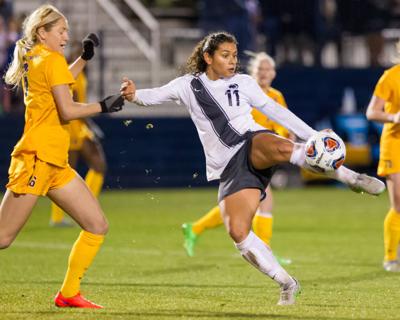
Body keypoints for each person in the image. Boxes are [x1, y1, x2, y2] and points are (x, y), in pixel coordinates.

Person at [120, 31, 385, 305]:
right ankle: (286, 282)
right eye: (225, 55)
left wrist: (312, 135)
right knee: (238, 232)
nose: (232, 61)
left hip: (252, 141)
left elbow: (275, 111)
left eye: (234, 55)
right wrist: (134, 94)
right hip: (228, 165)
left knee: (280, 147)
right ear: (208, 57)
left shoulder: (244, 83)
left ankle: (351, 177)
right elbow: (154, 95)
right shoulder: (188, 86)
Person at [0, 4, 124, 308]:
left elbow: (55, 82)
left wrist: (84, 58)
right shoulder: (51, 59)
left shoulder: (36, 55)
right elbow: (67, 110)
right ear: (43, 32)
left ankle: (68, 293)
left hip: (55, 162)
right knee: (2, 238)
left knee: (97, 225)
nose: (67, 36)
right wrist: (103, 106)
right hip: (37, 159)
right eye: (62, 31)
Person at [182, 52, 292, 264]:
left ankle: (195, 228)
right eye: (261, 69)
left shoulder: (276, 96)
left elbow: (280, 119)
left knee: (242, 204)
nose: (265, 73)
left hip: (262, 154)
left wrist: (284, 134)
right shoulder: (241, 91)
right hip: (241, 153)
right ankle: (265, 251)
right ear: (254, 72)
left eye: (269, 69)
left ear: (274, 73)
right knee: (264, 202)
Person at [50, 41, 107, 227]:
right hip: (72, 126)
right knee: (67, 172)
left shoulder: (78, 73)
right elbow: (70, 104)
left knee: (95, 166)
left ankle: (81, 208)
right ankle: (61, 216)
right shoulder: (68, 74)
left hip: (79, 126)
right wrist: (89, 123)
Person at [366, 56, 400, 272]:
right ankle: (390, 257)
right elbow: (371, 112)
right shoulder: (390, 77)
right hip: (395, 143)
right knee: (399, 203)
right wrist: (394, 117)